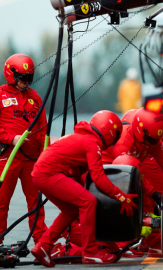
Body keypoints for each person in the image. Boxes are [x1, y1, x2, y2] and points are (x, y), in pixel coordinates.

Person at [30, 110, 138, 266]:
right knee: (88, 201)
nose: (112, 143)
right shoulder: (92, 143)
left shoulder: (84, 138)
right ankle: (90, 252)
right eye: (114, 137)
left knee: (72, 210)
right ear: (108, 132)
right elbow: (98, 177)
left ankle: (43, 247)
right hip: (49, 174)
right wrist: (120, 196)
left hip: (40, 174)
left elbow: (78, 173)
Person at [0, 54, 48, 244]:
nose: (26, 82)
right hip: (8, 157)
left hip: (32, 159)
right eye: (22, 78)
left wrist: (45, 155)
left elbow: (43, 128)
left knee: (36, 202)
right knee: (2, 202)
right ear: (11, 74)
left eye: (29, 78)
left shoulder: (34, 97)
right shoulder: (1, 95)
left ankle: (41, 241)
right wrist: (11, 139)